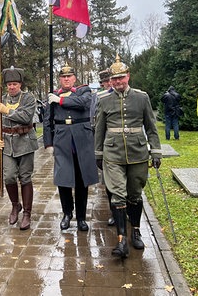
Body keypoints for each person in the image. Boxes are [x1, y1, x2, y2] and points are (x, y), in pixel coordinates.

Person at [94, 54, 162, 258]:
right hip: (113, 153)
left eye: (121, 78)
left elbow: (151, 126)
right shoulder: (103, 99)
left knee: (134, 194)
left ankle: (137, 231)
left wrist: (156, 150)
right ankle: (121, 239)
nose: (118, 82)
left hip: (138, 153)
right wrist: (98, 152)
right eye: (114, 79)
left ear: (128, 77)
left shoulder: (142, 97)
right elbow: (99, 128)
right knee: (117, 194)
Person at [43, 64, 99, 232]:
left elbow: (83, 103)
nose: (66, 79)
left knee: (82, 181)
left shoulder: (84, 91)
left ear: (74, 78)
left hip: (81, 140)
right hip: (62, 140)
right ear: (59, 79)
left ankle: (81, 217)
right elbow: (47, 121)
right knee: (64, 180)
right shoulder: (53, 95)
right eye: (63, 77)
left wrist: (60, 100)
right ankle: (67, 214)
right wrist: (48, 143)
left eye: (69, 76)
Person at [0, 66, 38, 230]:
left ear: (20, 85)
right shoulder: (1, 98)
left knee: (25, 177)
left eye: (15, 84)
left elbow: (26, 118)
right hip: (7, 144)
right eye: (9, 84)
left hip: (25, 142)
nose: (12, 87)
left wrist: (7, 111)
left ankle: (27, 213)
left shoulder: (28, 98)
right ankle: (15, 205)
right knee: (9, 176)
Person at [95, 68, 115, 227]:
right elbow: (95, 123)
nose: (109, 85)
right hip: (108, 145)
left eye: (110, 81)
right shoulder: (100, 98)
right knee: (109, 182)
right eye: (105, 82)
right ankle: (114, 211)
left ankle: (128, 210)